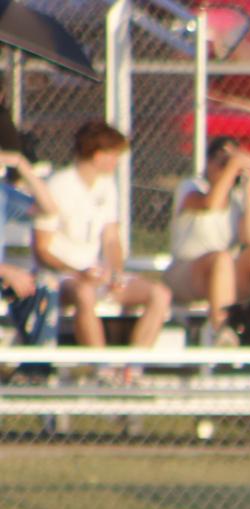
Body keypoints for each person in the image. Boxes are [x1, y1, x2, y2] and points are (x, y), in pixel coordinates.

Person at [31, 121, 171, 363]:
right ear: (97, 155)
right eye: (113, 155)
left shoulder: (106, 186)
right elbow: (42, 249)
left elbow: (111, 238)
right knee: (84, 293)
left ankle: (132, 368)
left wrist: (116, 272)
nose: (116, 162)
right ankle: (101, 368)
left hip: (95, 274)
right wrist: (78, 272)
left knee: (160, 293)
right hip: (61, 277)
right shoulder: (58, 185)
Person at [165, 137, 250, 347]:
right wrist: (233, 166)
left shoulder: (238, 196)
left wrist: (249, 195)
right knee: (220, 259)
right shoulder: (191, 186)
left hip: (226, 275)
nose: (228, 171)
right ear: (210, 163)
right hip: (187, 271)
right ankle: (223, 329)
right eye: (223, 164)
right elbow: (210, 204)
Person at [0, 147, 59, 347]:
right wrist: (6, 270)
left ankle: (36, 370)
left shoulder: (3, 195)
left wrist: (21, 164)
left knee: (45, 285)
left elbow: (48, 209)